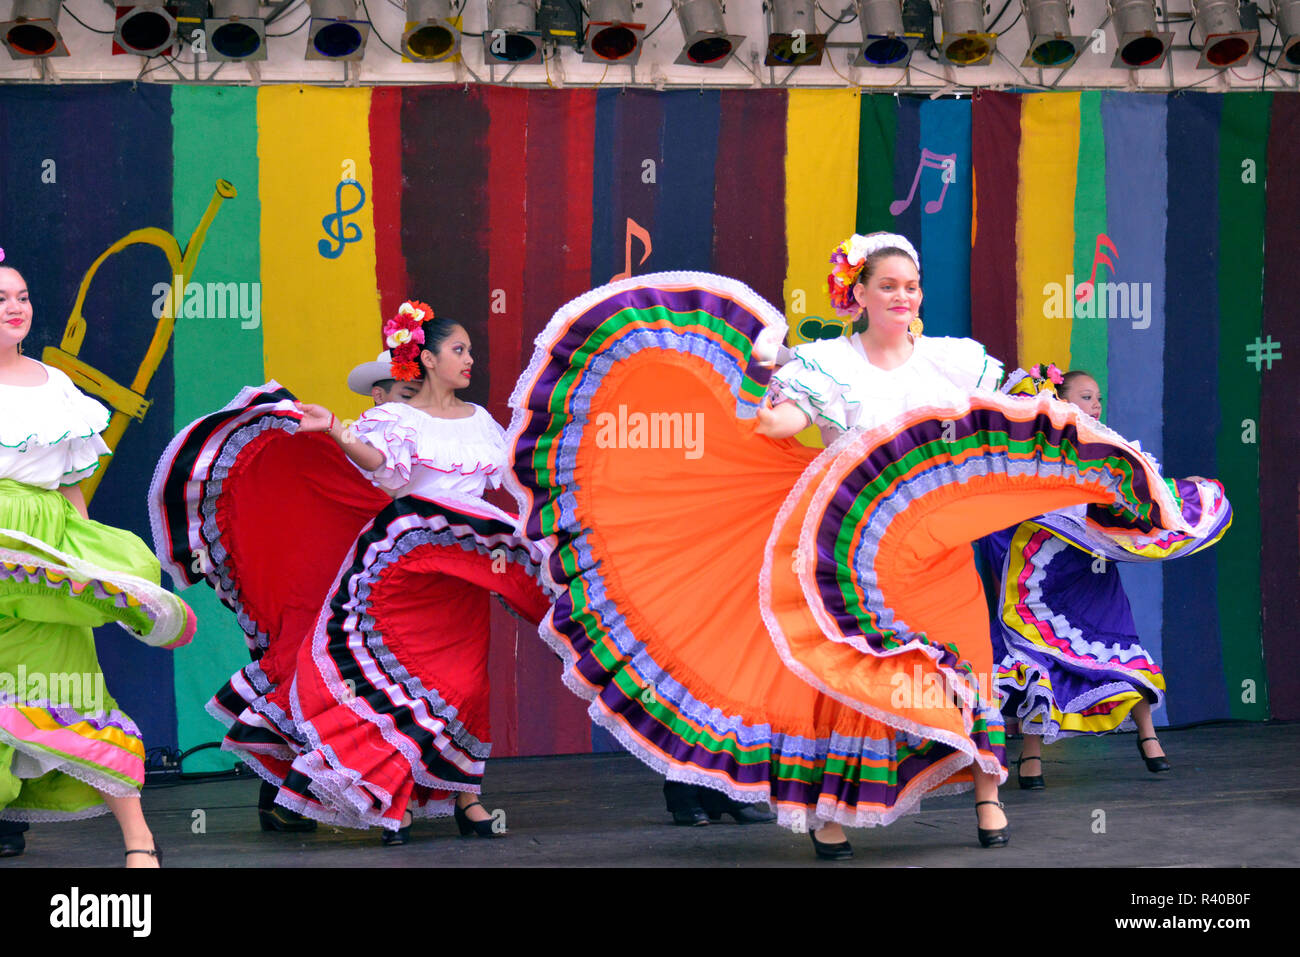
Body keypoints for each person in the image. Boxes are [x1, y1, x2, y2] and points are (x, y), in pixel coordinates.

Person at [506, 235, 1226, 860]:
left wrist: (1054, 413)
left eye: (911, 286)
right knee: (848, 686)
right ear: (859, 294)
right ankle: (827, 813)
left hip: (939, 556)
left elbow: (1008, 420)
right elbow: (784, 426)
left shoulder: (953, 360)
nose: (904, 297)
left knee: (967, 666)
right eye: (889, 286)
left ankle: (985, 792)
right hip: (854, 563)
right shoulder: (831, 364)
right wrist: (764, 385)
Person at [151, 302, 549, 846]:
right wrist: (336, 432)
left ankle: (468, 798)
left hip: (466, 570)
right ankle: (395, 799)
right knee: (399, 683)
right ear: (428, 359)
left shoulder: (481, 419)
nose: (469, 360)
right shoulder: (397, 419)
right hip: (405, 569)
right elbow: (381, 468)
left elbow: (518, 473)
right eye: (459, 350)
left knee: (468, 683)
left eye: (470, 351)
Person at [0, 262, 196, 866]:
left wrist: (85, 559)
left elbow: (71, 488)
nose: (16, 307)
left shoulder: (56, 385)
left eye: (24, 296)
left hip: (42, 555)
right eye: (1, 297)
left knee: (68, 685)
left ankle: (139, 839)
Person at [980, 367, 1230, 789]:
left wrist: (1177, 501)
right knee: (1036, 656)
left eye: (1098, 398)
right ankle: (1032, 757)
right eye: (1086, 397)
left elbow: (1133, 498)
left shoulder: (1107, 451)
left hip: (1091, 572)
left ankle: (1148, 738)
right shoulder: (1039, 449)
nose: (1095, 406)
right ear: (1060, 400)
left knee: (1118, 643)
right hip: (1043, 573)